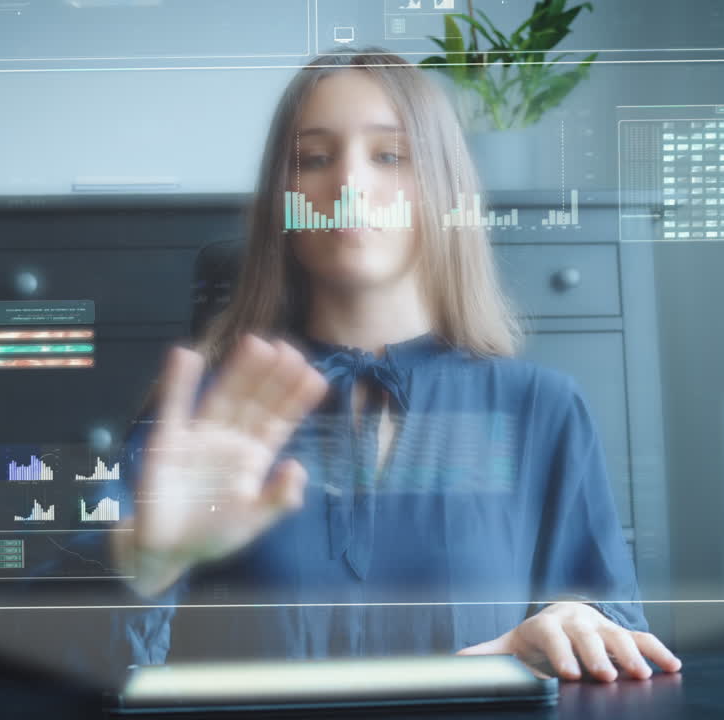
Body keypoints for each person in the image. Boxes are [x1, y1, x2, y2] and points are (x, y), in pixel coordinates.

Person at [108, 48, 681, 683]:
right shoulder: (207, 415)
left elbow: (623, 639)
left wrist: (575, 625)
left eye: (390, 156)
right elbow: (58, 655)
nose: (350, 185)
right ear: (284, 202)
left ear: (442, 190)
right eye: (316, 159)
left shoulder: (540, 407)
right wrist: (145, 561)